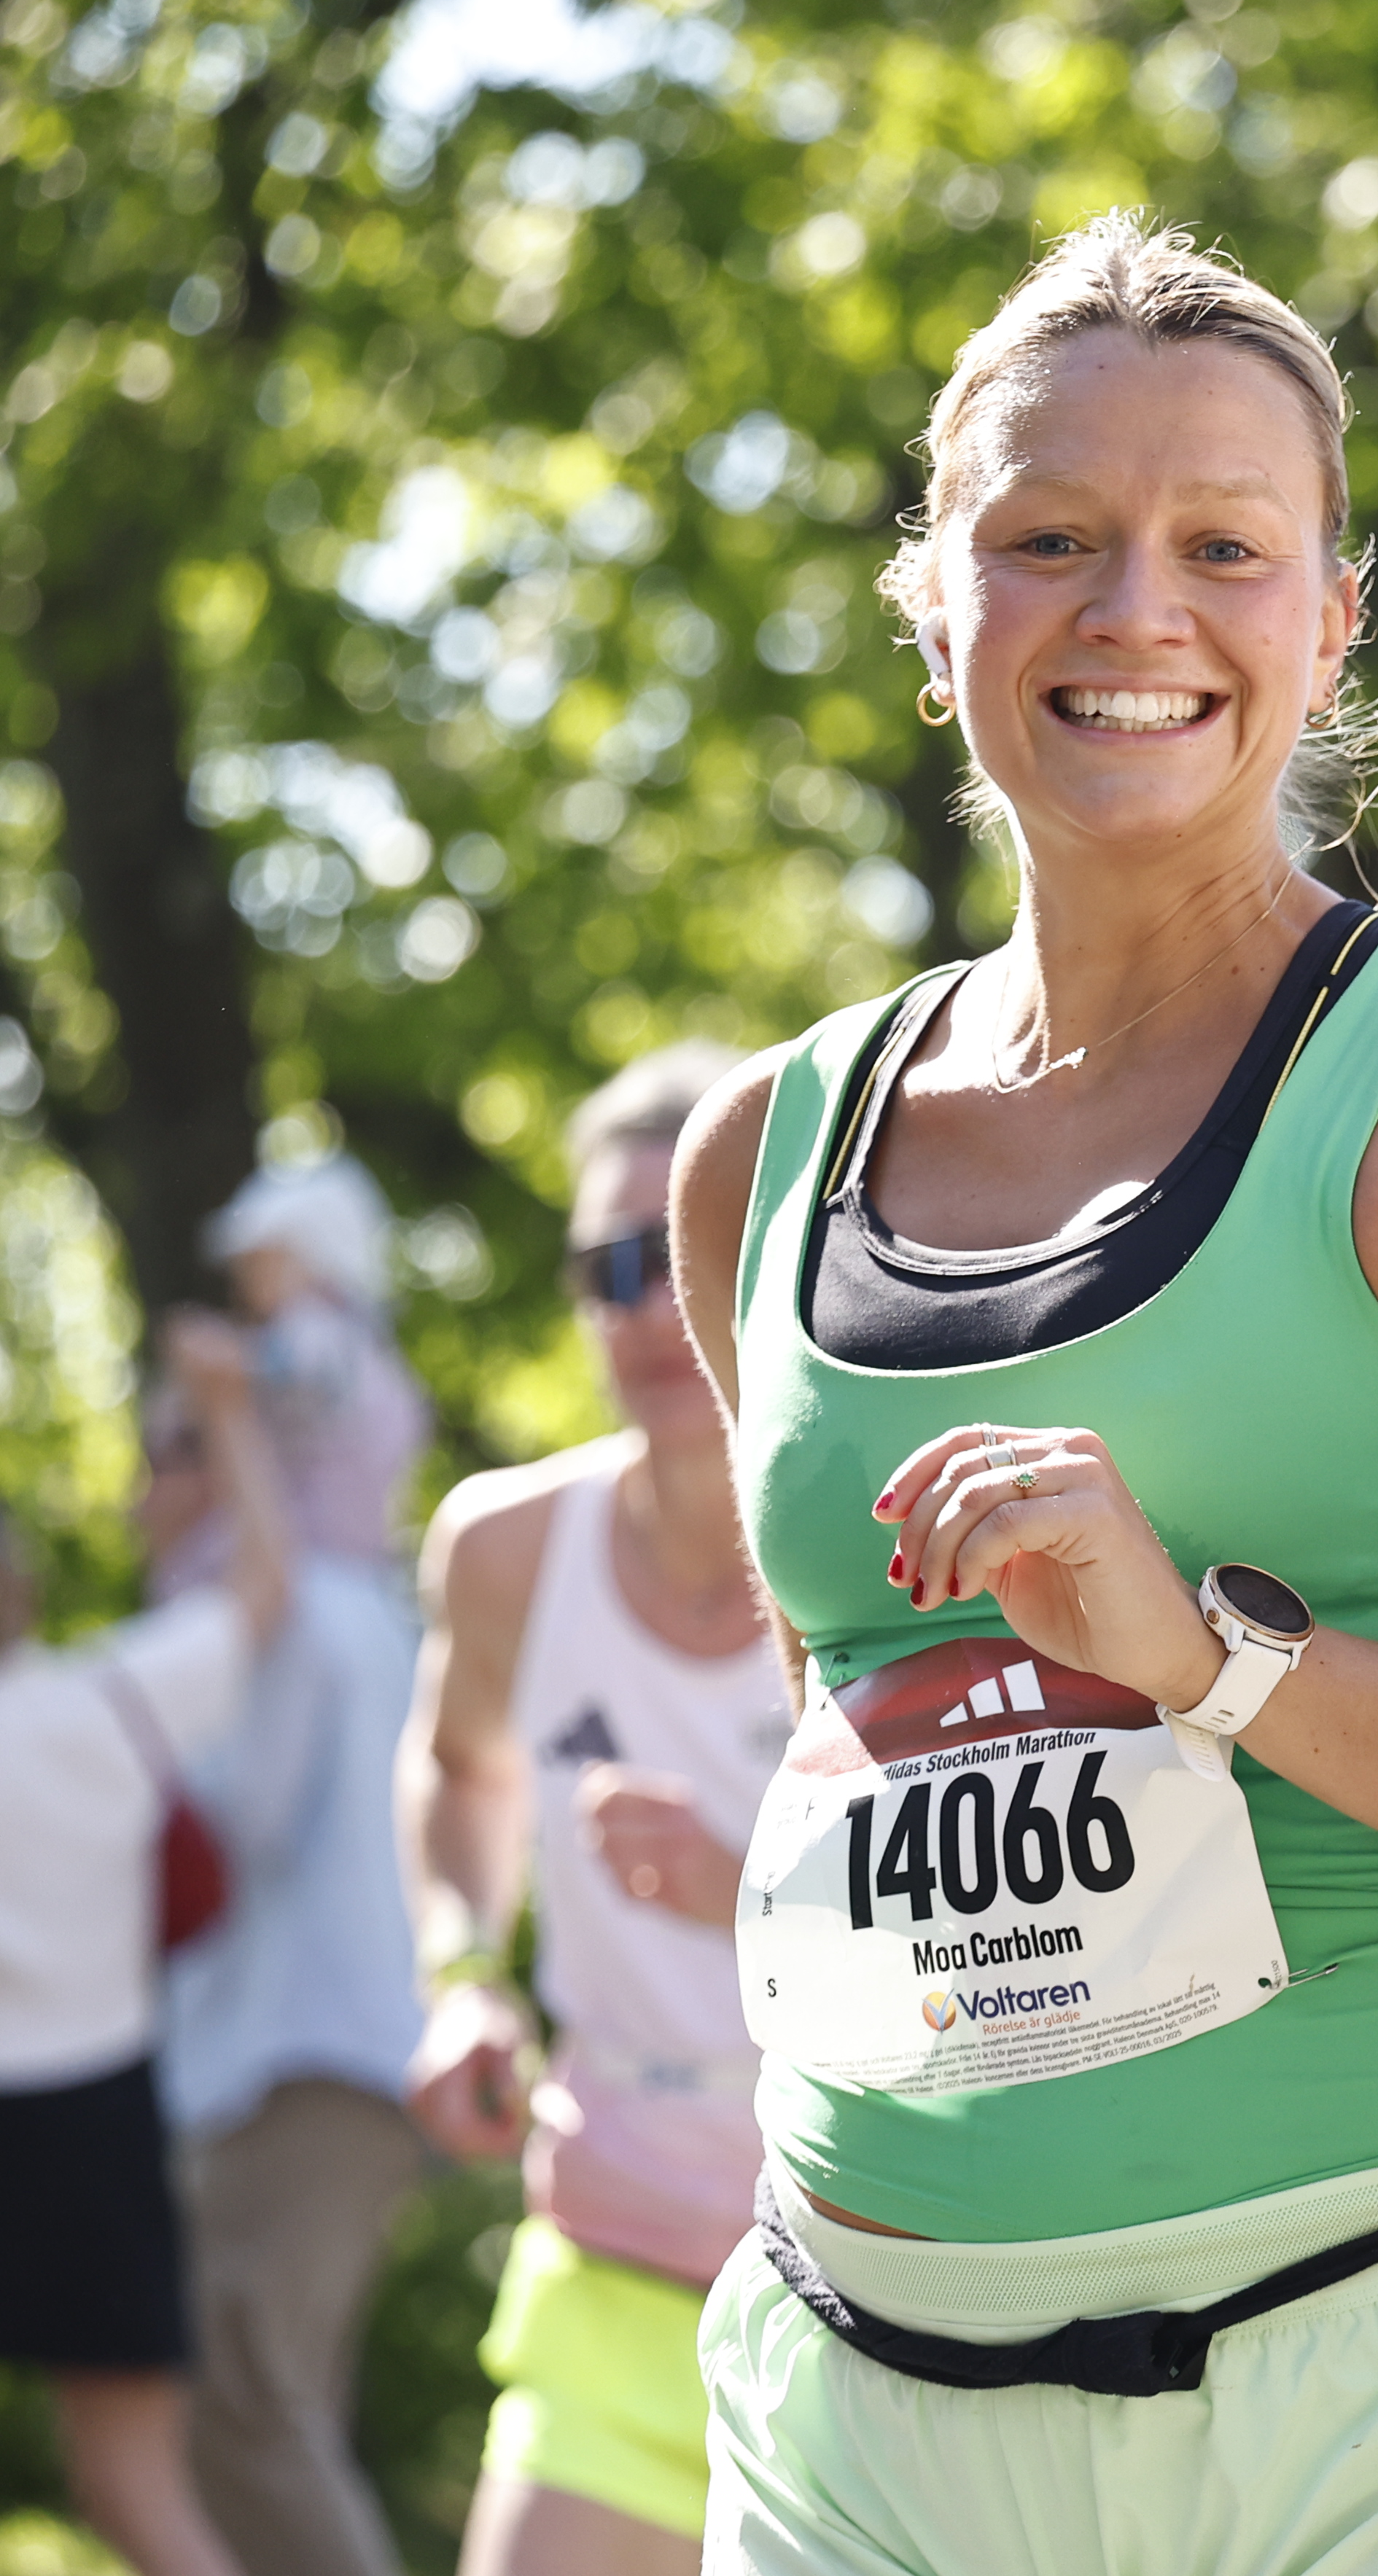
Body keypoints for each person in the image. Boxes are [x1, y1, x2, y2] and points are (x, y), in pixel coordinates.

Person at [665, 213, 1378, 2575]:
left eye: (1223, 548)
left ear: (1331, 619)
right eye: (1049, 541)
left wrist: (1211, 1662)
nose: (1136, 614)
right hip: (863, 2396)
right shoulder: (754, 1155)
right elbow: (861, 1741)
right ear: (930, 603)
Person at [402, 1042, 791, 2572]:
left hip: (865, 2294)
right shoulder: (503, 1548)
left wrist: (745, 1888)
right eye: (601, 1269)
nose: (637, 1307)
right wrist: (462, 1975)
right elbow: (457, 1768)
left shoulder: (892, 1545)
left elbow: (1002, 1926)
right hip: (608, 2264)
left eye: (670, 1257)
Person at [157, 1154, 430, 2576]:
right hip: (347, 2055)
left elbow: (234, 1827)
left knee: (237, 2405)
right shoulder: (367, 1604)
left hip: (301, 2058)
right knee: (279, 2410)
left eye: (173, 1444)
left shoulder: (303, 1612)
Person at [0, 1321, 293, 2576]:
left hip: (78, 2113)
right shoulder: (108, 1704)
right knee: (139, 2491)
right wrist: (227, 1409)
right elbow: (264, 1587)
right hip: (97, 2127)